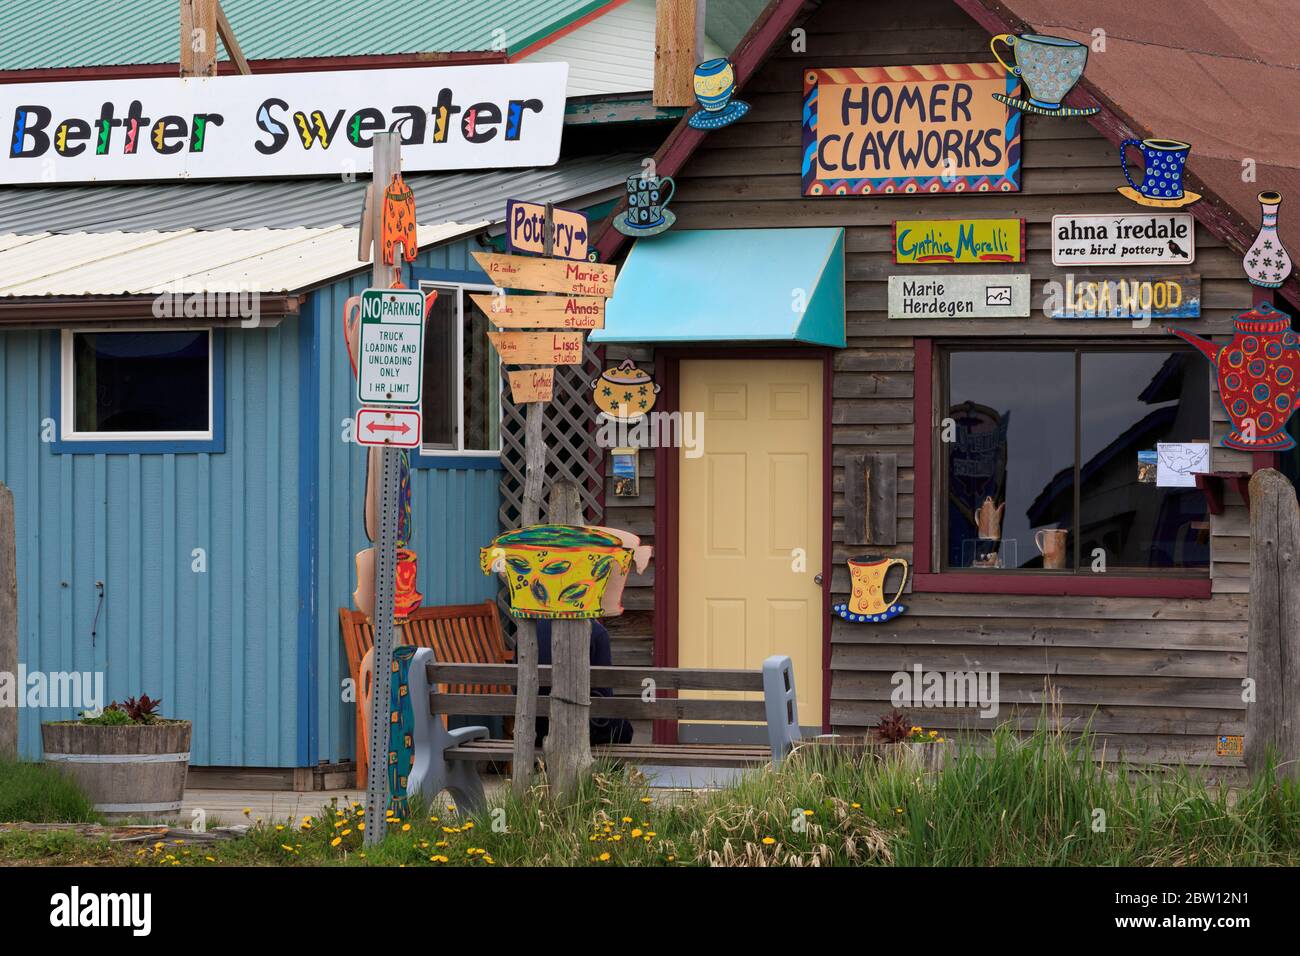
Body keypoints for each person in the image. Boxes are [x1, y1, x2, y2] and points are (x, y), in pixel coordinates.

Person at [526, 618, 634, 747]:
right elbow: (604, 699)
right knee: (624, 728)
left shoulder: (530, 631)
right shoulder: (598, 633)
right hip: (581, 729)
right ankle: (601, 767)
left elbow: (518, 690)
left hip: (536, 729)